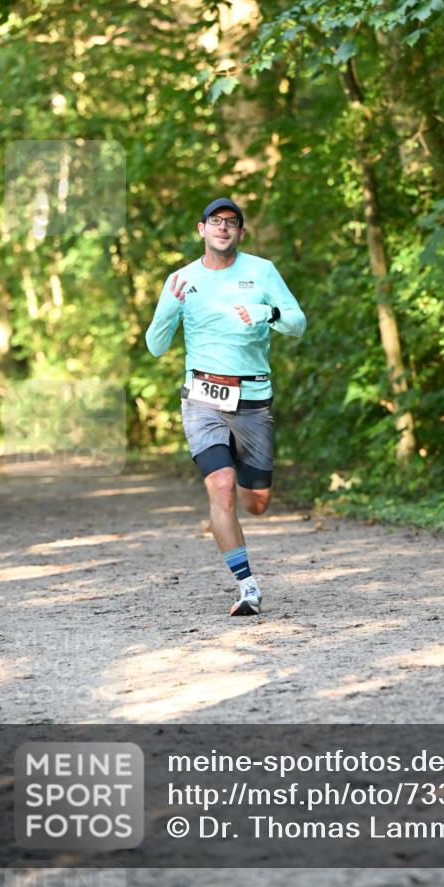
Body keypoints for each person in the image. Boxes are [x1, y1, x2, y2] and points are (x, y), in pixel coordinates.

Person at [145, 197, 306, 616]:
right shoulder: (180, 280)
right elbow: (156, 345)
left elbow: (298, 323)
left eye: (231, 223)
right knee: (220, 487)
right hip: (202, 398)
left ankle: (236, 482)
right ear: (201, 230)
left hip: (253, 400)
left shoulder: (261, 271)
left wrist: (266, 313)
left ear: (241, 232)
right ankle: (247, 584)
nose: (222, 228)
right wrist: (169, 308)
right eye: (215, 222)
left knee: (257, 501)